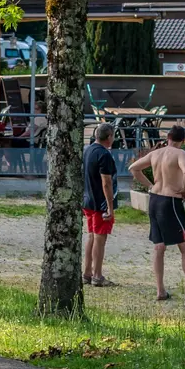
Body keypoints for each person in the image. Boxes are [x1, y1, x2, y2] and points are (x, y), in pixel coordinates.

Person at [128, 125, 185, 302]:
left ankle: (160, 290)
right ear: (183, 140)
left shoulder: (156, 153)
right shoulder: (180, 154)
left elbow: (133, 168)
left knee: (159, 245)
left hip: (155, 200)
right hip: (170, 201)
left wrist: (150, 185)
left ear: (168, 138)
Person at [82, 123, 119, 287]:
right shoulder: (104, 155)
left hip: (88, 200)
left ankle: (87, 272)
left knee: (91, 236)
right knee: (100, 239)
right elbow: (106, 183)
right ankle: (97, 275)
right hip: (100, 204)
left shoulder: (88, 150)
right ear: (109, 137)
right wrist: (110, 207)